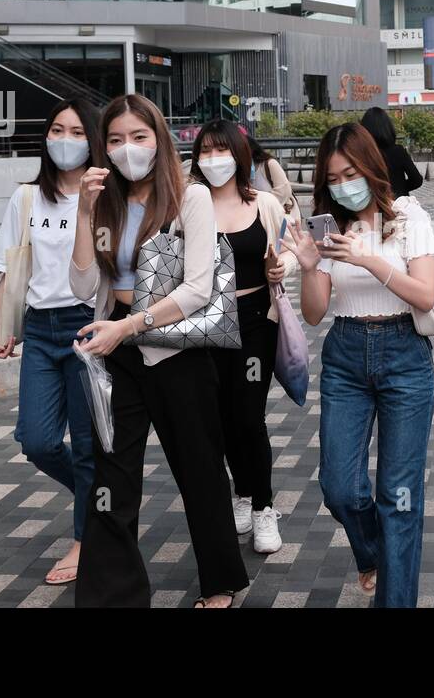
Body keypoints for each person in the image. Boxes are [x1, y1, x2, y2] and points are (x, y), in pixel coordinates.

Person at [71, 93, 248, 608]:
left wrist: (128, 326)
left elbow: (198, 288)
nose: (129, 149)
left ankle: (221, 583)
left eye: (139, 137)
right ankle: (112, 595)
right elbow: (83, 285)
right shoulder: (102, 201)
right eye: (117, 140)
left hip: (176, 355)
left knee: (199, 469)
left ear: (160, 138)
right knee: (112, 475)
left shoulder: (189, 199)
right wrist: (83, 213)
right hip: (118, 355)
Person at [281, 123, 434, 608]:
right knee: (340, 488)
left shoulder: (409, 216)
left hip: (405, 354)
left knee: (399, 497)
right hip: (346, 354)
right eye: (332, 178)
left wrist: (371, 260)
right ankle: (374, 554)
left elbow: (425, 295)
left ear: (371, 167)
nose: (343, 185)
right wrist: (310, 267)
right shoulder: (328, 227)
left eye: (350, 172)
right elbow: (313, 313)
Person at [0, 98, 100, 587]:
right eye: (57, 129)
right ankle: (101, 499)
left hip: (87, 327)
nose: (66, 140)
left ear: (93, 140)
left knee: (90, 443)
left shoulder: (105, 194)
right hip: (39, 327)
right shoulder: (27, 197)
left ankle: (85, 538)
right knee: (36, 440)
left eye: (77, 132)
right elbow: (13, 265)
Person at [188, 119, 297, 554]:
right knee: (217, 418)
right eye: (206, 151)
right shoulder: (186, 205)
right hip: (204, 321)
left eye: (223, 150)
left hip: (255, 318)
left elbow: (289, 248)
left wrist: (281, 268)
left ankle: (264, 506)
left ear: (240, 155)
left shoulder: (264, 204)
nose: (214, 159)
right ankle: (241, 494)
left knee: (248, 416)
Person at [360, 106, 423, 197]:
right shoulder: (398, 151)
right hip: (397, 205)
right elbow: (417, 180)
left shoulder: (361, 154)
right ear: (388, 128)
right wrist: (399, 188)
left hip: (372, 205)